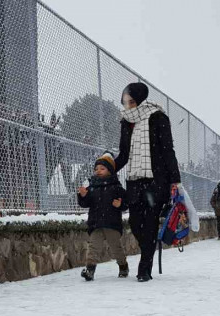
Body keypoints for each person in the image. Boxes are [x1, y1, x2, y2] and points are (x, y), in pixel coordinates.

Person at [113, 83, 182, 282]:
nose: (128, 106)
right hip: (135, 181)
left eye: (131, 102)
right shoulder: (126, 123)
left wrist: (174, 180)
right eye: (125, 102)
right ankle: (148, 252)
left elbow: (168, 151)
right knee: (135, 223)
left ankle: (144, 269)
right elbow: (124, 155)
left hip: (155, 181)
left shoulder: (158, 118)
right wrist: (107, 169)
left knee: (150, 223)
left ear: (140, 100)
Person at [77, 153, 129, 281]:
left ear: (110, 171)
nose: (98, 171)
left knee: (116, 247)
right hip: (96, 223)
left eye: (102, 168)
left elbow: (126, 202)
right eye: (96, 169)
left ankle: (123, 266)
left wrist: (120, 204)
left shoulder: (116, 187)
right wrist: (83, 196)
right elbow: (85, 203)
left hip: (111, 223)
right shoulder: (92, 187)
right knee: (93, 247)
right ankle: (90, 270)